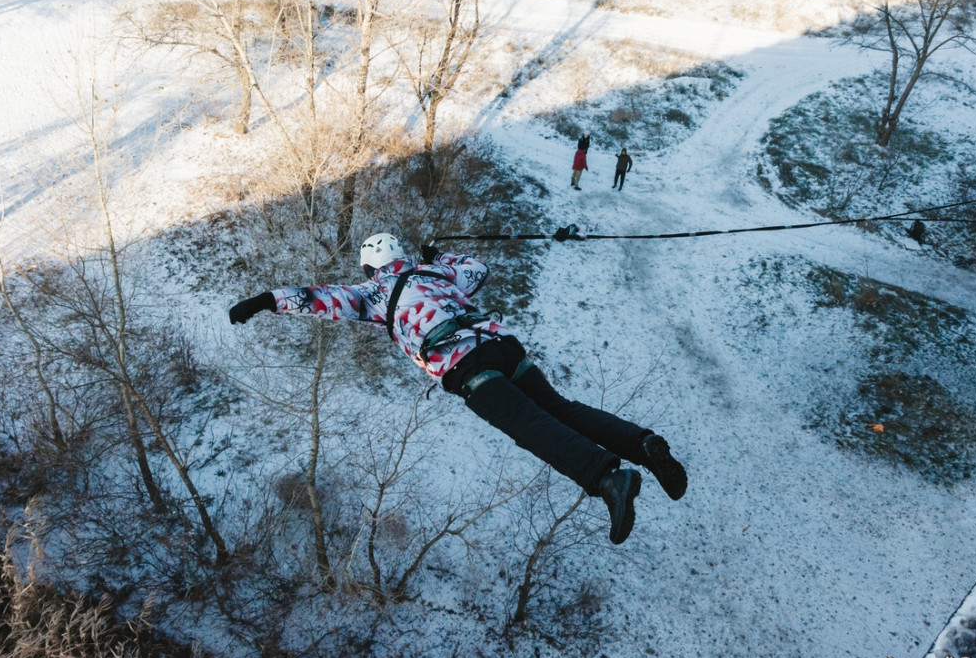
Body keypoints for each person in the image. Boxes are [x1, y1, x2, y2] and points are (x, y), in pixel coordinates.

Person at [229, 233, 688, 545]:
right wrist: (436, 256)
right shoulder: (436, 274)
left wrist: (264, 301)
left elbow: (317, 298)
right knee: (560, 408)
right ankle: (644, 445)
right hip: (502, 344)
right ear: (403, 255)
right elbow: (477, 269)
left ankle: (609, 478)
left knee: (528, 424)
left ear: (370, 267)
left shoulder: (372, 293)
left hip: (461, 359)